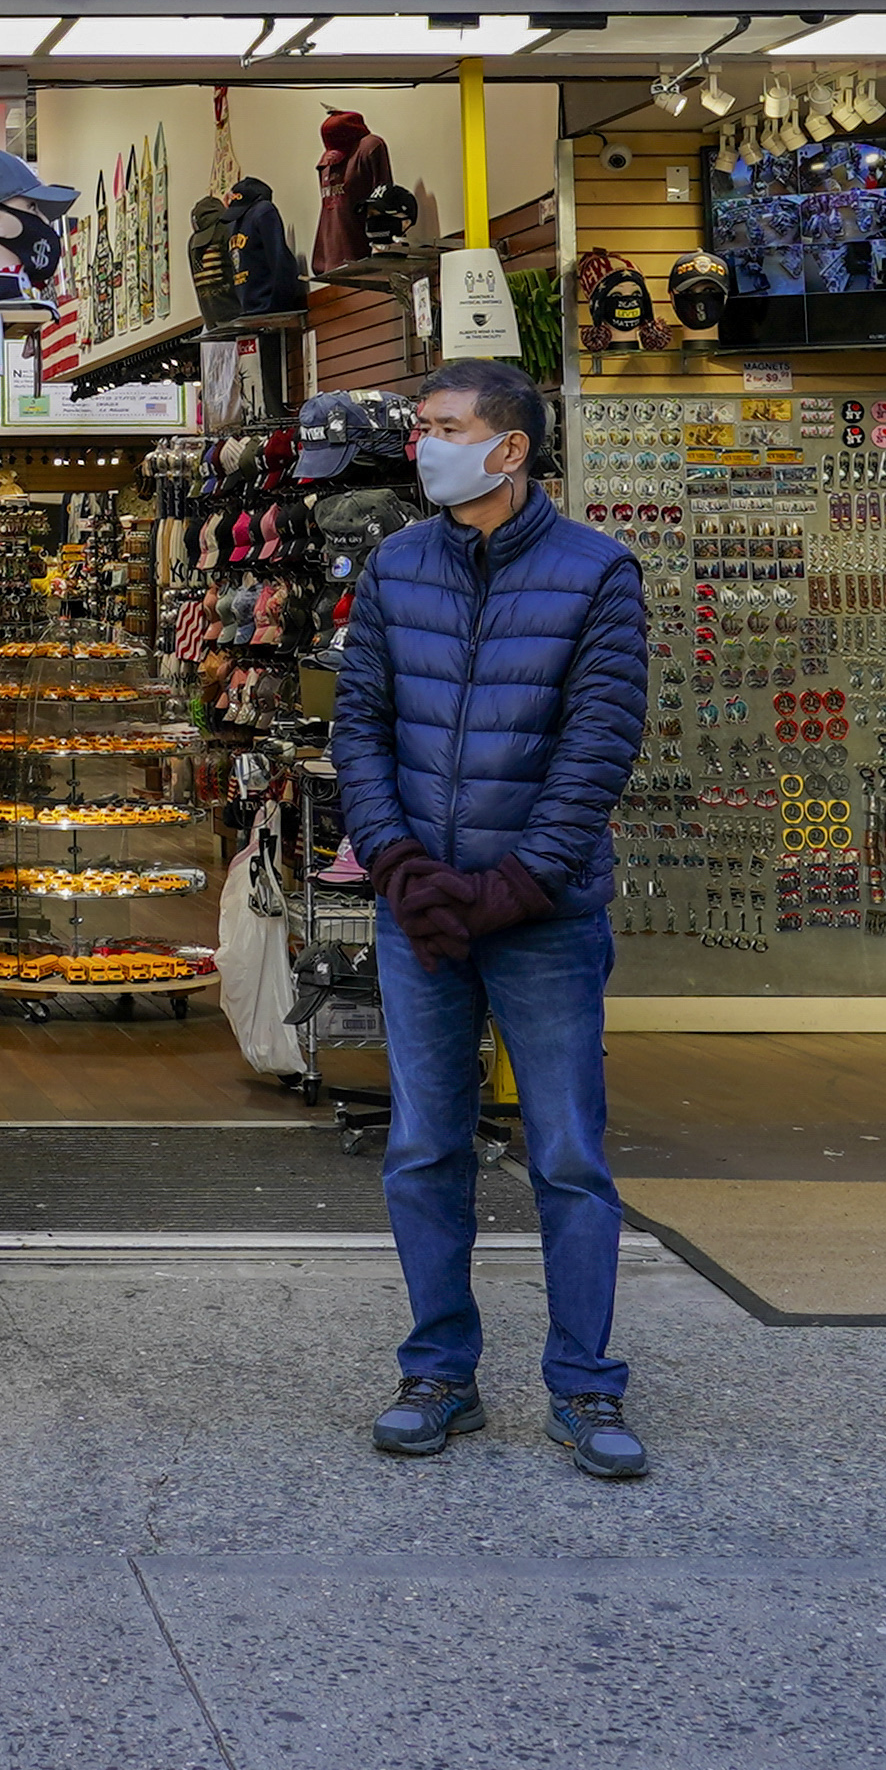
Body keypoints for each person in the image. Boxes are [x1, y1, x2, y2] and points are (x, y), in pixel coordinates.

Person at [322, 357, 652, 1478]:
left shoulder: (596, 573)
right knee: (421, 1147)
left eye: (441, 426)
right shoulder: (393, 565)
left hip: (542, 917)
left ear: (507, 448)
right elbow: (355, 727)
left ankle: (584, 1387)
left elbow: (598, 743)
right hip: (418, 911)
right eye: (417, 425)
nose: (421, 443)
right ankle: (437, 1372)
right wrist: (400, 865)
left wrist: (516, 883)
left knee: (565, 1155)